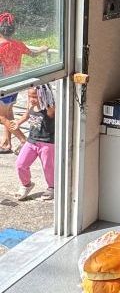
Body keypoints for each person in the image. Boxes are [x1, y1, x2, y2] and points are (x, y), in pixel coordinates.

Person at [0, 12, 49, 154]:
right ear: (13, 29)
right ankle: (6, 143)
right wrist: (43, 48)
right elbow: (33, 54)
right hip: (14, 86)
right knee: (8, 114)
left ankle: (24, 141)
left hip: (3, 86)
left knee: (2, 117)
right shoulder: (18, 44)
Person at [14, 86, 55, 201]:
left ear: (44, 96)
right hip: (31, 141)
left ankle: (52, 187)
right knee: (20, 164)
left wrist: (48, 101)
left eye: (35, 97)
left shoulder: (49, 108)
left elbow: (52, 110)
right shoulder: (31, 105)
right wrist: (18, 123)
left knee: (48, 167)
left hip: (47, 143)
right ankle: (26, 184)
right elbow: (27, 115)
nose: (32, 99)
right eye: (30, 96)